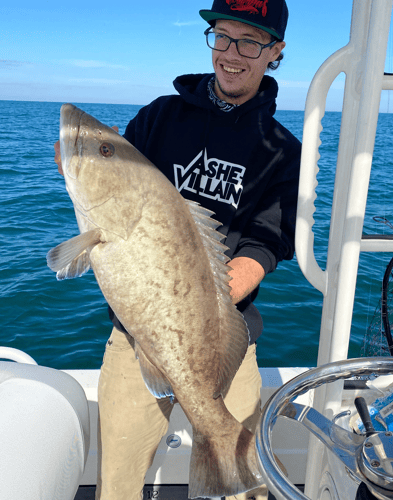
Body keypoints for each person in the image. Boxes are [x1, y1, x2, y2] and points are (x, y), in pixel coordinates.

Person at [55, 1, 300, 499]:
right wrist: (79, 166)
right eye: (223, 37)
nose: (232, 54)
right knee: (116, 480)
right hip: (134, 336)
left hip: (225, 330)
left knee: (239, 487)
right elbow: (126, 194)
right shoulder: (158, 117)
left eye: (250, 42)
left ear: (275, 51)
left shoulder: (281, 148)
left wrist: (209, 299)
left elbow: (269, 239)